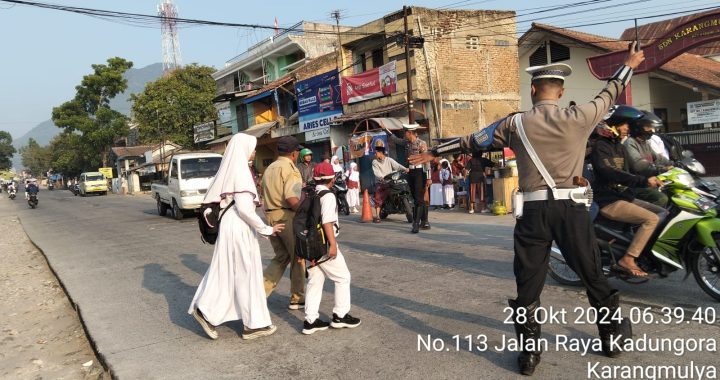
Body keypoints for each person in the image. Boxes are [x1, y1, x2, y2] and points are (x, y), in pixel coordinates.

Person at [410, 43, 645, 375]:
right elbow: (611, 91)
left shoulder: (514, 124)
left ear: (533, 89)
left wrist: (435, 152)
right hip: (571, 210)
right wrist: (630, 63)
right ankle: (610, 339)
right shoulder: (582, 116)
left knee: (528, 284)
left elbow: (471, 141)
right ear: (560, 92)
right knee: (592, 273)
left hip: (533, 213)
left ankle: (529, 356)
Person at [188, 134, 284, 340]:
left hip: (233, 226)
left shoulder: (233, 168)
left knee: (231, 272)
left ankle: (211, 312)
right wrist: (267, 229)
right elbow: (245, 209)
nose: (255, 151)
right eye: (253, 147)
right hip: (239, 227)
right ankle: (251, 324)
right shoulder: (240, 170)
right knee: (246, 274)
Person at [592, 106, 668, 278]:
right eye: (625, 125)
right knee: (651, 219)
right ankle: (628, 258)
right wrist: (642, 181)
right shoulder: (601, 146)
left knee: (664, 213)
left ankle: (648, 252)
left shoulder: (619, 146)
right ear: (615, 125)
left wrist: (653, 178)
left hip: (624, 197)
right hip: (608, 200)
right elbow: (609, 172)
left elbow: (630, 173)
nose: (628, 128)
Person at [301, 162, 361, 334]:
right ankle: (340, 316)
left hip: (308, 243)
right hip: (323, 245)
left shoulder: (309, 193)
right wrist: (333, 245)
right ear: (332, 178)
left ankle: (310, 320)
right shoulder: (327, 195)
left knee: (315, 280)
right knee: (343, 277)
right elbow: (327, 222)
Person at [262, 135, 306, 310]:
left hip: (270, 215)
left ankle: (259, 292)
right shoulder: (290, 169)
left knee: (282, 256)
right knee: (298, 256)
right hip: (286, 216)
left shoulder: (270, 168)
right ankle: (297, 297)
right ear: (294, 153)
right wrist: (305, 213)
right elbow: (291, 197)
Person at [383, 123, 432, 233]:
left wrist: (429, 177)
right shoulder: (407, 143)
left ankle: (416, 223)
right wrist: (385, 129)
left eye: (405, 132)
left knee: (419, 199)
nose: (404, 135)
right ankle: (425, 221)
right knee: (416, 198)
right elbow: (395, 139)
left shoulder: (421, 143)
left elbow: (427, 161)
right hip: (411, 172)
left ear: (410, 133)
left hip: (420, 172)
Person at [623, 111, 672, 207]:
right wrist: (662, 169)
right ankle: (647, 219)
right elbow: (638, 165)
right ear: (638, 127)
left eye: (652, 127)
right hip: (638, 184)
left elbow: (658, 158)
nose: (652, 130)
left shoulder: (645, 143)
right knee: (662, 198)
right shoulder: (630, 143)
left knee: (672, 191)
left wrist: (674, 164)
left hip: (650, 179)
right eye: (648, 127)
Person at [371, 145, 407, 223]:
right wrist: (381, 177)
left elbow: (397, 166)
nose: (375, 154)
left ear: (381, 153)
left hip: (391, 180)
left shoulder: (389, 160)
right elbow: (376, 172)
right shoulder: (375, 162)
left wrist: (405, 169)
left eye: (376, 152)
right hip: (381, 182)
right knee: (378, 197)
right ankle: (377, 216)